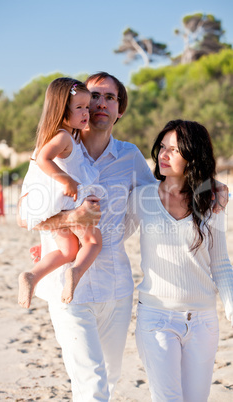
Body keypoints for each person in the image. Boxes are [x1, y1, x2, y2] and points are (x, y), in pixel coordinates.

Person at [18, 74, 228, 401]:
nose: (101, 104)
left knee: (110, 376)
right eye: (95, 97)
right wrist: (71, 219)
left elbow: (165, 191)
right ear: (81, 105)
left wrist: (210, 186)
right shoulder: (55, 151)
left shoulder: (130, 157)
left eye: (110, 98)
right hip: (67, 287)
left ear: (120, 109)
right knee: (92, 383)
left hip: (116, 288)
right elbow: (23, 215)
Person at [127, 120, 233, 402]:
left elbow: (220, 263)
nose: (163, 154)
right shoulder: (142, 197)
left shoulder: (211, 201)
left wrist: (231, 306)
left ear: (192, 155)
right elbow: (109, 236)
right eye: (162, 147)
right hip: (157, 317)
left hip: (203, 321)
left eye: (173, 150)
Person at [18, 78, 104, 309]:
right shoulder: (63, 137)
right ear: (61, 110)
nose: (87, 112)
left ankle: (32, 276)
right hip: (69, 204)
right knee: (93, 241)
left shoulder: (67, 136)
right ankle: (75, 274)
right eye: (79, 108)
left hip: (57, 206)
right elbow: (42, 158)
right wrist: (65, 178)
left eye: (87, 107)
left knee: (67, 250)